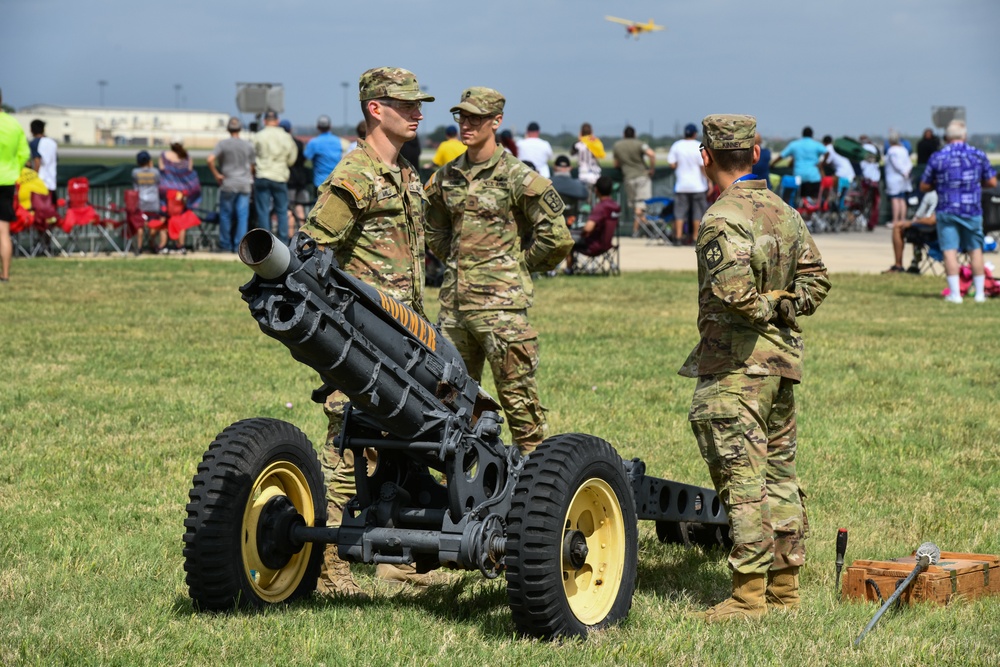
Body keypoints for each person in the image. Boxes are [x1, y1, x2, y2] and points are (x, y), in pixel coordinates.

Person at [680, 114, 831, 623]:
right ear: (757, 152)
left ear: (706, 157)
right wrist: (787, 307)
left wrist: (767, 307)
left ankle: (748, 597)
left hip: (736, 367)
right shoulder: (785, 211)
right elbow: (817, 281)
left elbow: (733, 293)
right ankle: (785, 589)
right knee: (781, 475)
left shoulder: (723, 217)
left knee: (742, 477)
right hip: (782, 365)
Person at [298, 67, 435, 596]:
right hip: (362, 338)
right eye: (405, 104)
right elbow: (312, 252)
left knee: (401, 443)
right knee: (346, 446)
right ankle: (329, 564)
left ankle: (395, 560)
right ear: (375, 109)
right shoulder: (354, 175)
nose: (417, 112)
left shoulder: (403, 174)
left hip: (407, 337)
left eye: (419, 103)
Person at [425, 86, 572, 456]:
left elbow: (556, 237)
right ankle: (461, 483)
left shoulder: (518, 176)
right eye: (462, 117)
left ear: (497, 121)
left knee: (519, 402)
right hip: (455, 308)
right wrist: (457, 258)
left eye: (476, 118)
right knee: (449, 402)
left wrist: (516, 265)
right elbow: (433, 227)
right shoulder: (447, 176)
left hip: (501, 310)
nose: (467, 125)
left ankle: (533, 483)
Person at [920, 120, 998, 303]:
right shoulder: (977, 155)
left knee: (949, 251)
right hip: (972, 209)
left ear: (947, 137)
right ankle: (980, 293)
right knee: (975, 250)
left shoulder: (938, 157)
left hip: (947, 209)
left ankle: (956, 294)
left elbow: (924, 185)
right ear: (964, 136)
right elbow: (992, 182)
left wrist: (938, 184)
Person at [207, 117, 255, 253]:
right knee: (242, 216)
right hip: (244, 183)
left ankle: (225, 244)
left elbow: (210, 159)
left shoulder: (223, 144)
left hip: (228, 183)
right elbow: (252, 166)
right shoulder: (248, 145)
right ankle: (239, 246)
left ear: (228, 129)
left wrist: (217, 174)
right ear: (240, 129)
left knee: (226, 215)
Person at [252, 109, 297, 244]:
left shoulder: (258, 136)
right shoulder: (286, 136)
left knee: (263, 211)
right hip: (279, 176)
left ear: (265, 121)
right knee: (282, 210)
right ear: (277, 121)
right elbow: (292, 158)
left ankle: (266, 241)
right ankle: (283, 241)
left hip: (262, 175)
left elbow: (252, 156)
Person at [0, 89, 28, 283]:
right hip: (7, 180)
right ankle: (6, 274)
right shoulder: (13, 124)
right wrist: (14, 170)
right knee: (4, 231)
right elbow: (24, 153)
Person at [564, 174, 620, 274]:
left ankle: (569, 269)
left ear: (596, 190)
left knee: (566, 238)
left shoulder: (601, 207)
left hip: (593, 245)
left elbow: (588, 228)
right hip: (607, 244)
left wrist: (581, 232)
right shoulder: (615, 206)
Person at [667, 123, 710, 245]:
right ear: (695, 134)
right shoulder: (699, 146)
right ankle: (695, 238)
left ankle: (678, 237)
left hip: (681, 185)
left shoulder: (677, 145)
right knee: (698, 213)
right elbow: (703, 166)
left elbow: (672, 164)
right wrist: (709, 181)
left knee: (679, 213)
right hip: (698, 186)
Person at [613, 125, 655, 237]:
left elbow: (616, 164)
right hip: (642, 176)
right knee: (641, 206)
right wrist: (651, 169)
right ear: (634, 134)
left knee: (636, 206)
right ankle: (645, 227)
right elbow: (651, 154)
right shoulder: (640, 144)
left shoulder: (617, 146)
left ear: (623, 134)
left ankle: (638, 229)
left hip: (628, 177)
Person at [883, 189, 937, 274]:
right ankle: (914, 262)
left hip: (933, 231)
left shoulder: (932, 194)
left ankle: (900, 265)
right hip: (946, 233)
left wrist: (912, 223)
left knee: (900, 227)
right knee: (914, 229)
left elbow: (927, 219)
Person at [775, 126, 827, 200]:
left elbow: (782, 156)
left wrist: (772, 164)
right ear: (812, 135)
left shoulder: (795, 144)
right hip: (814, 176)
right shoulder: (816, 145)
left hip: (799, 176)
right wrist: (823, 163)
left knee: (799, 199)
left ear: (802, 134)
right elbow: (827, 152)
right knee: (813, 201)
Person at [281, 119, 310, 237]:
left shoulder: (283, 143)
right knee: (300, 207)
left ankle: (290, 236)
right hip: (301, 179)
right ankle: (302, 235)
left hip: (290, 180)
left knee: (289, 209)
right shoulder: (299, 143)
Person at [132, 150, 163, 252]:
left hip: (140, 203)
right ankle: (152, 244)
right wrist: (152, 166)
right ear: (149, 161)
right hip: (153, 204)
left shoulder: (135, 172)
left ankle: (139, 247)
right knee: (153, 224)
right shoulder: (155, 172)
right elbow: (158, 182)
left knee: (140, 225)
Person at [304, 115, 343, 188]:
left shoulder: (314, 143)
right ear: (330, 126)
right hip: (336, 180)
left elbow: (305, 157)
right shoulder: (338, 141)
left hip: (320, 181)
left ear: (318, 127)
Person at [884, 131, 913, 228]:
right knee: (902, 199)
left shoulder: (891, 151)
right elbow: (909, 163)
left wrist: (902, 171)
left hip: (894, 178)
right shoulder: (904, 150)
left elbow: (895, 163)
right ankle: (902, 219)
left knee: (895, 199)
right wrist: (907, 172)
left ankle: (895, 220)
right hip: (904, 177)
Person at [29, 119, 57, 205]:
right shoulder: (52, 142)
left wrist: (32, 177)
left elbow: (37, 162)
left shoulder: (34, 143)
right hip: (52, 180)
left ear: (32, 130)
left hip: (40, 182)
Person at [820, 135, 855, 199]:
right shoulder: (836, 147)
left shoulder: (828, 148)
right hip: (850, 173)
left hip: (841, 173)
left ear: (824, 143)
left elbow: (822, 163)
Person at [858, 135, 882, 231]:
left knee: (863, 200)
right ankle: (872, 223)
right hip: (875, 178)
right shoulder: (874, 148)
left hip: (866, 178)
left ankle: (863, 219)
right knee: (875, 203)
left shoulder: (862, 149)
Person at [573, 122, 605, 190]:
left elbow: (572, 152)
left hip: (583, 174)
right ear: (591, 132)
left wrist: (579, 138)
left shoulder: (579, 144)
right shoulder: (596, 142)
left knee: (584, 197)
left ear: (581, 132)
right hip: (595, 174)